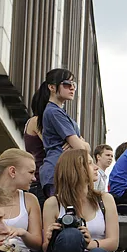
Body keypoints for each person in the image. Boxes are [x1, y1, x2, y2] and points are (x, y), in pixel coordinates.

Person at [37, 68, 90, 198]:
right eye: (67, 84)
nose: (72, 88)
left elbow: (83, 147)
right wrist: (79, 143)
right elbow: (81, 148)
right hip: (58, 170)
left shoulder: (58, 112)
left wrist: (80, 143)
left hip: (64, 170)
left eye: (74, 85)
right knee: (59, 214)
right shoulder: (53, 112)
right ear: (52, 87)